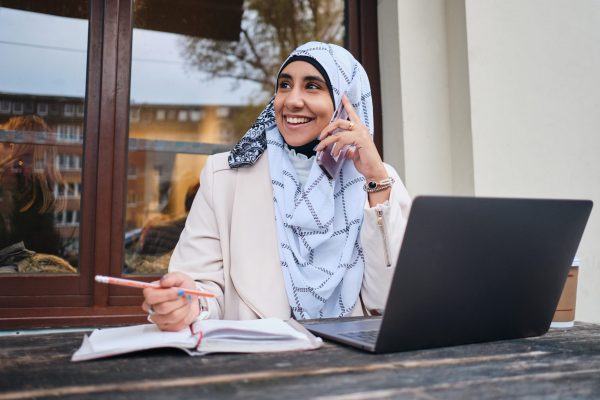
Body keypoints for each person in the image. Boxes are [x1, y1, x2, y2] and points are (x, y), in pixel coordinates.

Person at [142, 42, 411, 331]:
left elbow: (392, 300)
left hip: (351, 364)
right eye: (284, 85)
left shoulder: (379, 181)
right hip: (257, 364)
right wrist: (189, 303)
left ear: (345, 102)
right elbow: (202, 286)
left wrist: (375, 182)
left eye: (312, 86)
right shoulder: (225, 177)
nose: (292, 100)